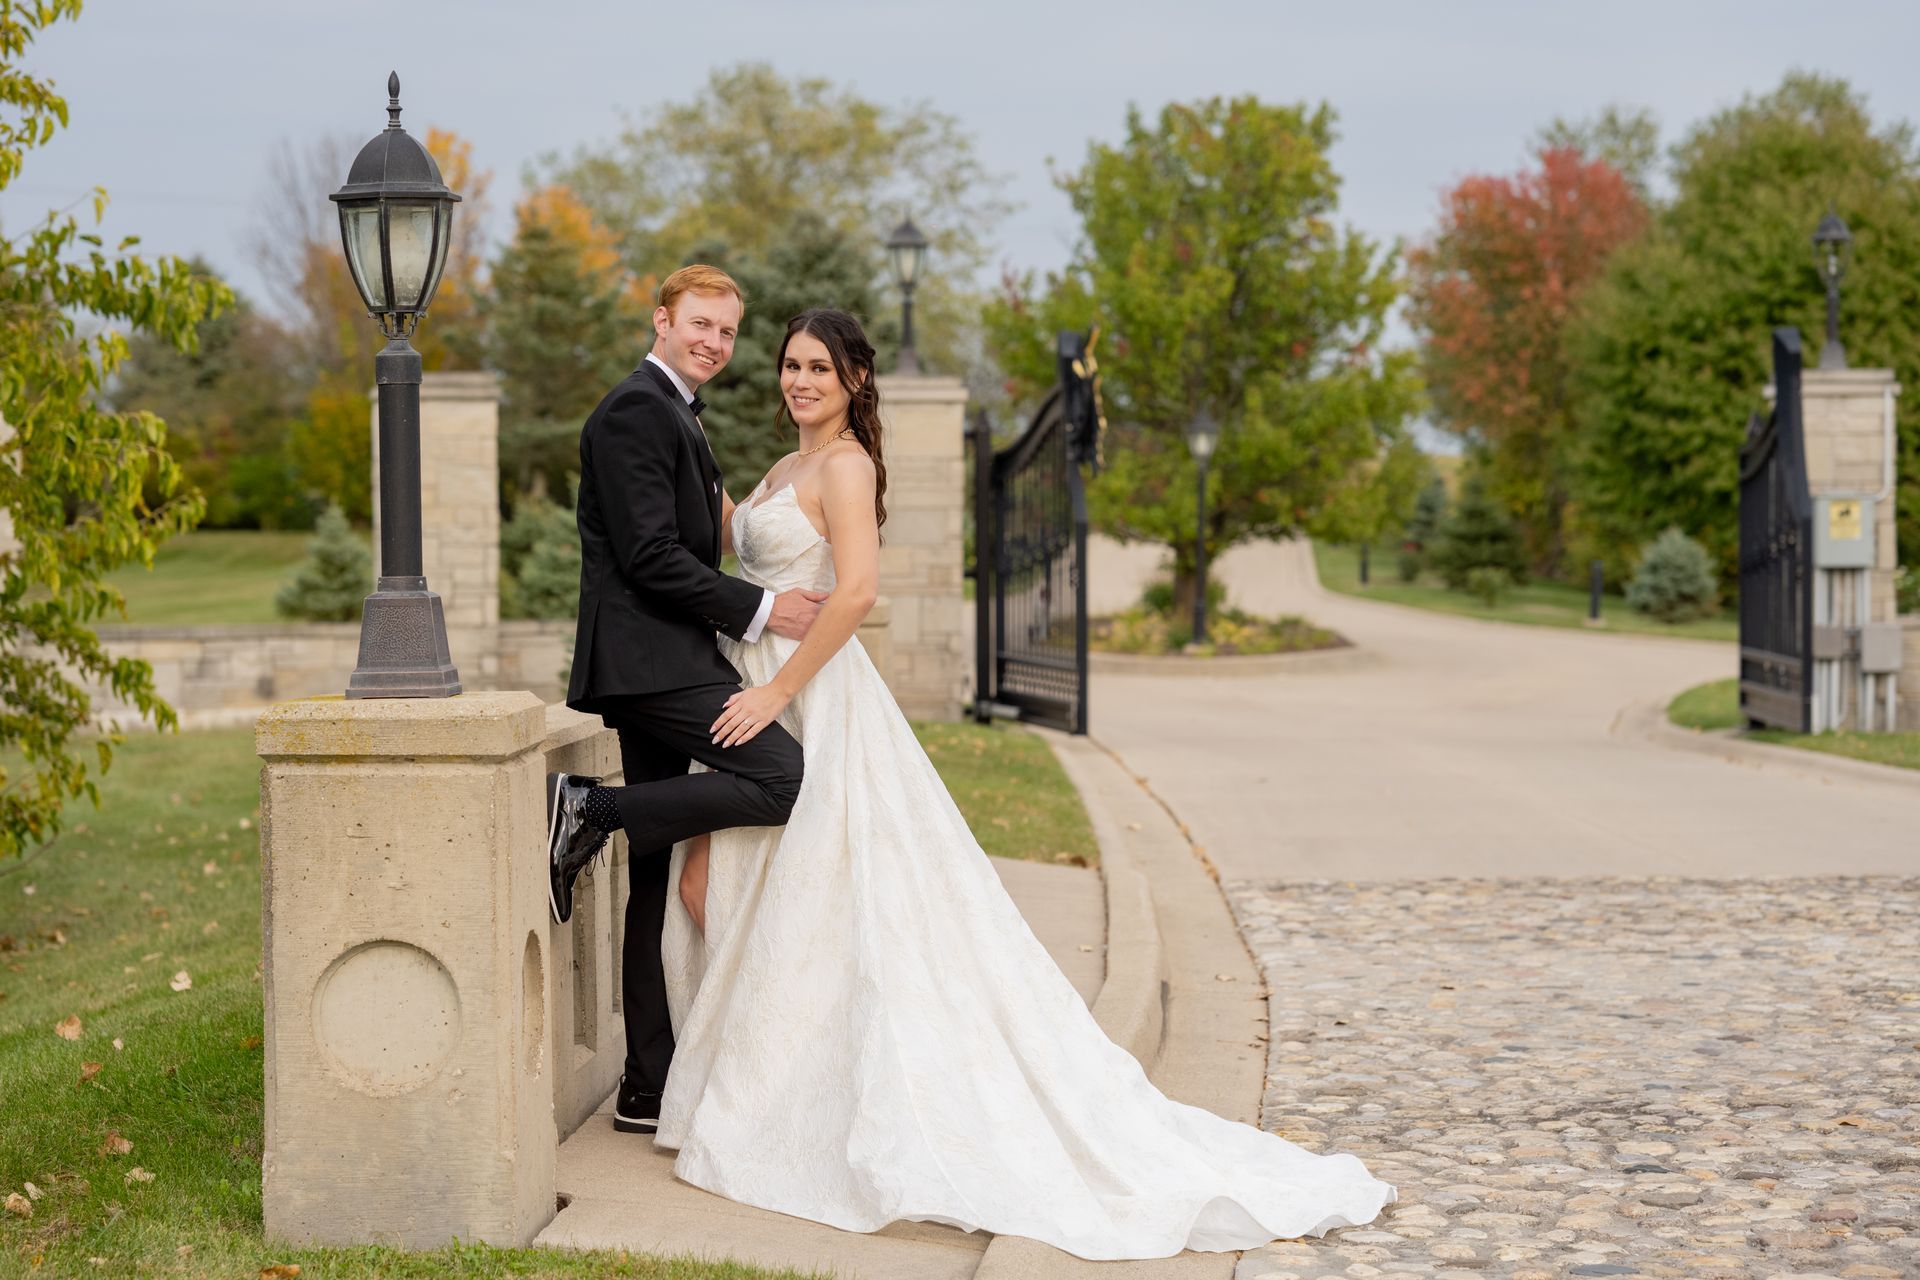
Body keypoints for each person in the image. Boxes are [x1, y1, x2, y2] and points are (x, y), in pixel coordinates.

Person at [650, 307, 1397, 1261]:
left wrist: (782, 692)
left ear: (854, 386)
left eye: (820, 371)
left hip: (808, 701)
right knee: (737, 891)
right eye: (792, 365)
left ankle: (806, 1098)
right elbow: (725, 545)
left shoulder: (844, 466)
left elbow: (857, 593)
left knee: (823, 902)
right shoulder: (782, 467)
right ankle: (757, 1082)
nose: (800, 382)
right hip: (751, 686)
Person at [550, 264, 827, 1140]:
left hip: (661, 656)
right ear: (662, 319)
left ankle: (646, 1083)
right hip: (653, 665)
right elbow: (648, 557)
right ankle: (591, 808)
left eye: (727, 331)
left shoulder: (673, 411)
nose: (713, 342)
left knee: (656, 867)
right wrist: (763, 607)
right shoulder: (638, 409)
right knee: (783, 775)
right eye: (699, 324)